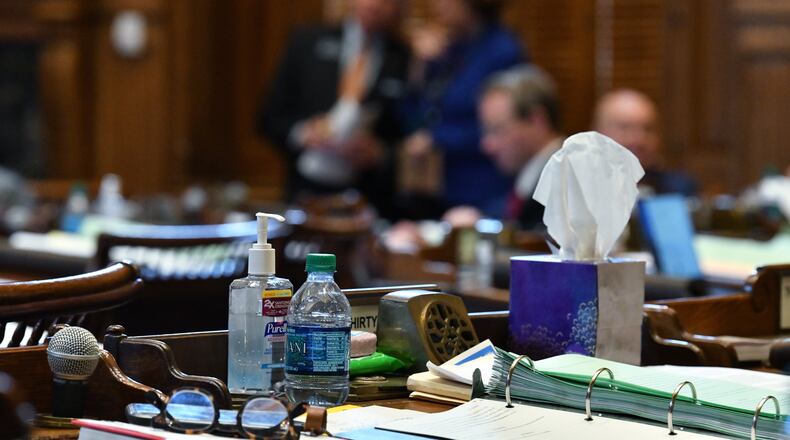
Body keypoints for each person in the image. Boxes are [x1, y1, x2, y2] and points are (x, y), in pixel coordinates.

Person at [258, 0, 409, 219]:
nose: (374, 4)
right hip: (305, 195)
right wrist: (304, 133)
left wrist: (379, 153)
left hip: (368, 202)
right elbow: (269, 117)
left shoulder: (404, 57)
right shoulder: (308, 41)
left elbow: (409, 134)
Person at [399, 0, 524, 218]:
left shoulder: (502, 51)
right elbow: (415, 115)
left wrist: (437, 138)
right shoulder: (448, 50)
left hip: (483, 188)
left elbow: (504, 128)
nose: (437, 6)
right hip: (438, 186)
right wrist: (419, 67)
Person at [444, 65, 563, 230]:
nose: (487, 145)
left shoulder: (566, 179)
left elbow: (539, 245)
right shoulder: (529, 177)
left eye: (497, 130)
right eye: (485, 131)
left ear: (537, 121)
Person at [593, 89, 697, 197]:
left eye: (648, 129)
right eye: (624, 128)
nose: (638, 139)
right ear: (598, 133)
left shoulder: (678, 190)